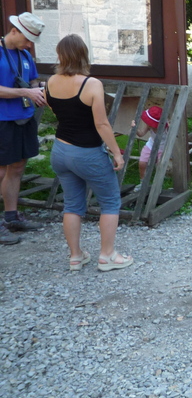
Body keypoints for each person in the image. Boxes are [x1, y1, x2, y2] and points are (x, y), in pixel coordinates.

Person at [45, 34, 133, 271]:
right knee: (110, 202)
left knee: (72, 205)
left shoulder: (50, 82)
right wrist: (117, 153)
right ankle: (107, 256)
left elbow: (55, 109)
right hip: (87, 153)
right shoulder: (91, 84)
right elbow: (101, 124)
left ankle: (75, 256)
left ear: (60, 55)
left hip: (60, 150)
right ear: (84, 55)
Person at [0, 12, 47, 245]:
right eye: (27, 38)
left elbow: (33, 80)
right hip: (2, 120)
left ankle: (11, 216)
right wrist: (26, 92)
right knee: (0, 170)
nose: (29, 44)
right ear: (14, 30)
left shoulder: (25, 54)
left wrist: (40, 89)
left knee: (17, 167)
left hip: (24, 117)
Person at [132, 106, 165, 184]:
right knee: (142, 163)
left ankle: (158, 183)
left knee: (160, 165)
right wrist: (135, 128)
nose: (149, 124)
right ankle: (143, 182)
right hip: (151, 145)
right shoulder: (149, 125)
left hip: (163, 147)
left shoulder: (166, 128)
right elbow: (141, 134)